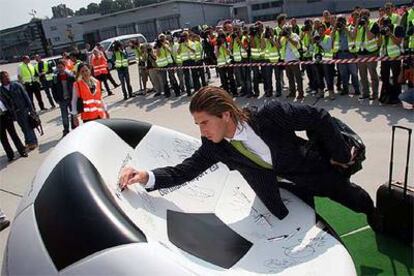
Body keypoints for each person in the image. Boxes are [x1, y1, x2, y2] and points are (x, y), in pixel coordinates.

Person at [119, 86, 382, 232]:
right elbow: (186, 170)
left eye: (204, 123)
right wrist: (146, 176)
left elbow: (319, 118)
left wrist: (339, 156)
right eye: (197, 124)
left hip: (311, 168)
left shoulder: (269, 115)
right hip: (278, 188)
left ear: (225, 115)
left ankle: (379, 218)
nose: (201, 131)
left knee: (356, 201)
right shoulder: (215, 146)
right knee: (299, 225)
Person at [0, 71, 38, 150]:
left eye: (7, 76)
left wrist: (31, 109)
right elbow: (4, 102)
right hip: (14, 112)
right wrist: (10, 112)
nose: (7, 78)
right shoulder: (1, 90)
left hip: (23, 109)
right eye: (4, 77)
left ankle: (32, 142)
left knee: (27, 126)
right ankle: (28, 141)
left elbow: (26, 96)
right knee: (23, 127)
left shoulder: (16, 85)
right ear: (1, 79)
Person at [71, 63, 108, 127]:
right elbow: (74, 101)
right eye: (82, 71)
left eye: (86, 70)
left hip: (99, 114)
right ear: (80, 73)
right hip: (88, 117)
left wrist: (105, 110)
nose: (85, 73)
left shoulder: (96, 82)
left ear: (89, 70)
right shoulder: (77, 84)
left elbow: (100, 98)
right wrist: (74, 116)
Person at [0, 91, 28, 161]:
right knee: (3, 138)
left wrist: (11, 110)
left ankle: (22, 151)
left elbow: (9, 100)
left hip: (6, 115)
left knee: (14, 134)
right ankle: (10, 155)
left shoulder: (1, 92)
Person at [51, 60, 76, 137]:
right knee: (64, 116)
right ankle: (66, 130)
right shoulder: (55, 78)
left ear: (64, 67)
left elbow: (75, 87)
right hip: (62, 100)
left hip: (71, 98)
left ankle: (74, 128)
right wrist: (56, 99)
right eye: (58, 67)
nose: (60, 69)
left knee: (73, 114)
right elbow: (53, 90)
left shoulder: (70, 76)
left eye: (61, 67)